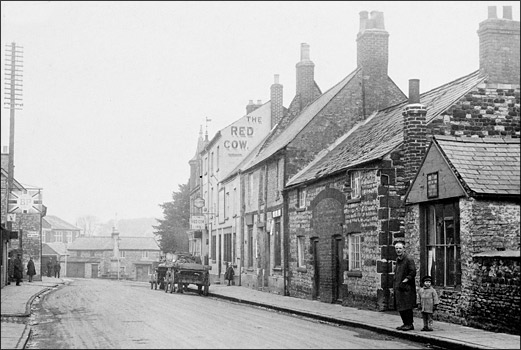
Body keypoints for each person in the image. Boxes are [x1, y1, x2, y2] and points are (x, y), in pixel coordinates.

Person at [393, 241, 417, 331]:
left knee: (407, 306)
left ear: (404, 249)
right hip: (399, 287)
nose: (398, 250)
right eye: (396, 248)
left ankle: (409, 324)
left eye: (400, 248)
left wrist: (405, 281)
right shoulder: (398, 259)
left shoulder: (408, 259)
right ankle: (405, 323)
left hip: (406, 288)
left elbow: (413, 272)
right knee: (400, 306)